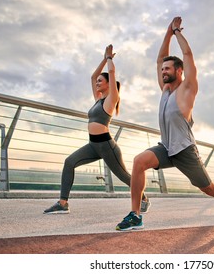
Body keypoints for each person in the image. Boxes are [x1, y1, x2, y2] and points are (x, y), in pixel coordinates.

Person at [116, 17, 214, 231]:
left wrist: (177, 32)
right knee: (139, 162)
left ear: (179, 71)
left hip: (184, 150)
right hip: (166, 147)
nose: (163, 71)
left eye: (167, 69)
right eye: (162, 69)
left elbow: (188, 55)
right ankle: (135, 215)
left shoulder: (187, 90)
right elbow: (159, 60)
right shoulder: (165, 90)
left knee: (208, 187)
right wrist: (167, 33)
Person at [44, 44, 150, 214]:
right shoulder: (98, 100)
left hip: (107, 146)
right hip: (93, 145)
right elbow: (93, 77)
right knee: (69, 162)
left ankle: (144, 197)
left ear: (109, 84)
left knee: (124, 176)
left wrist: (109, 59)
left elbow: (112, 73)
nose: (98, 82)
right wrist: (103, 59)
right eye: (98, 81)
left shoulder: (111, 99)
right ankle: (63, 203)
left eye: (102, 80)